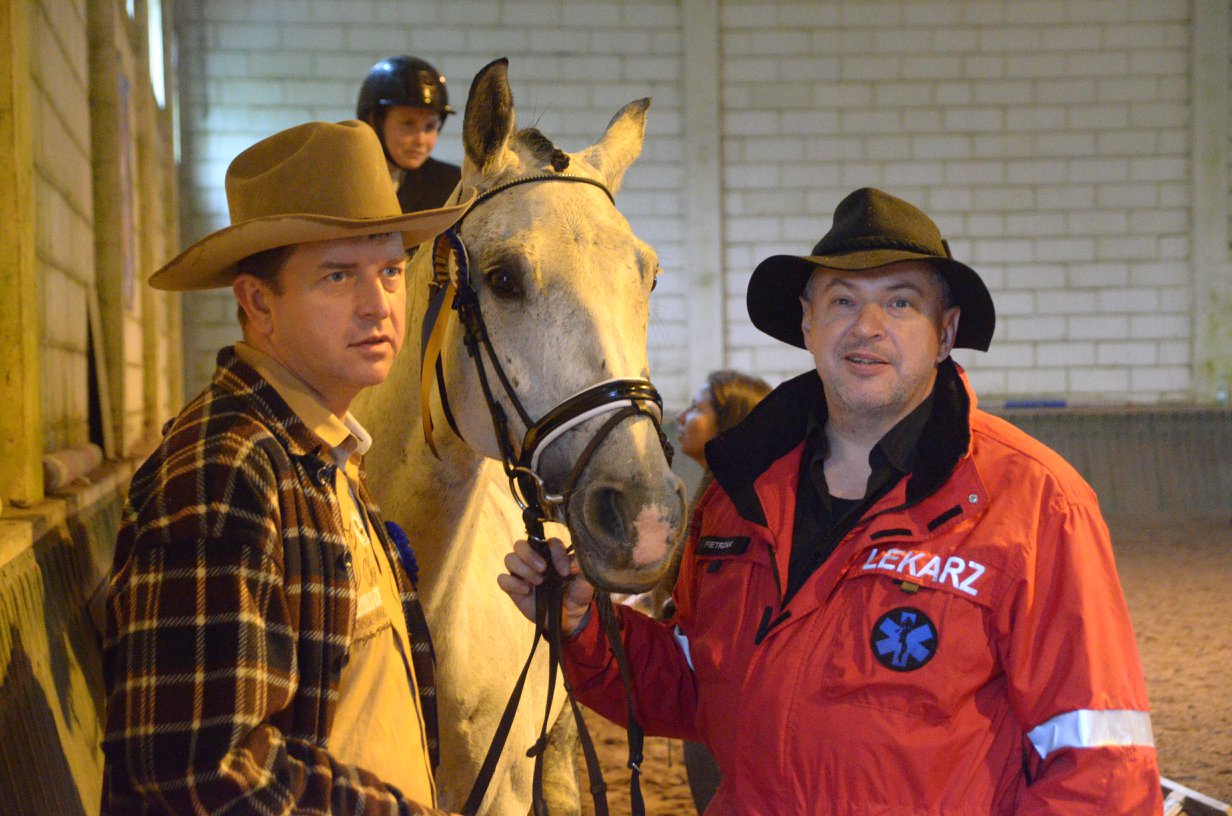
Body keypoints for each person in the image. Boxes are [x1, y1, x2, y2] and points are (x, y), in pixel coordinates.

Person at [500, 188, 1164, 814]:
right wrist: (582, 626)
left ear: (946, 331)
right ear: (808, 322)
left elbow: (1100, 765)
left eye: (900, 302)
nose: (867, 327)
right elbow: (697, 684)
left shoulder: (1034, 502)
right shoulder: (740, 494)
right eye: (842, 301)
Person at [101, 120, 470, 815]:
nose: (379, 306)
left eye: (391, 271)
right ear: (259, 303)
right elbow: (200, 767)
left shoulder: (322, 452)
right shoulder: (226, 473)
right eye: (338, 275)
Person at [662, 370, 770, 813]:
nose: (682, 417)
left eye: (697, 408)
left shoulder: (746, 506)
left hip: (732, 705)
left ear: (729, 423)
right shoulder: (714, 495)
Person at [357, 55, 461, 213]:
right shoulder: (338, 179)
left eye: (430, 126)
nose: (420, 140)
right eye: (408, 124)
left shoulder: (452, 185)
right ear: (373, 121)